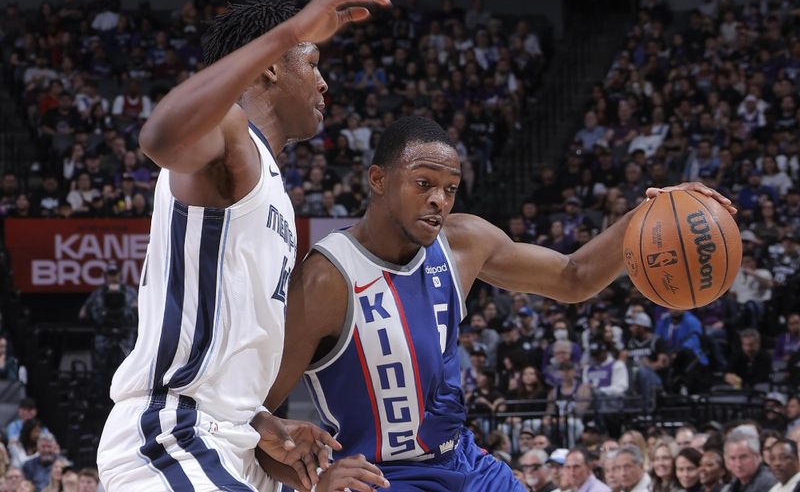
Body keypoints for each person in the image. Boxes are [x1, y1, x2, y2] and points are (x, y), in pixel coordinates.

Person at [265, 116, 733, 489]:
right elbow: (251, 414)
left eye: (449, 189)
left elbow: (574, 277)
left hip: (463, 462)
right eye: (423, 183)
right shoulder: (328, 277)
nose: (438, 201)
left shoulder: (462, 242)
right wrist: (317, 480)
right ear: (378, 179)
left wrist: (650, 211)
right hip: (384, 476)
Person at [97, 0, 393, 492]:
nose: (324, 84)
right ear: (273, 66)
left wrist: (260, 422)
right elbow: (158, 138)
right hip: (175, 436)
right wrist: (293, 30)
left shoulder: (273, 186)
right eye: (313, 63)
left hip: (228, 444)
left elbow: (221, 352)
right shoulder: (231, 136)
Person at [724, 428, 777, 492]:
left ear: (757, 456)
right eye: (733, 458)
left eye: (743, 457)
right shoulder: (734, 484)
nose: (738, 464)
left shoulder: (769, 483)